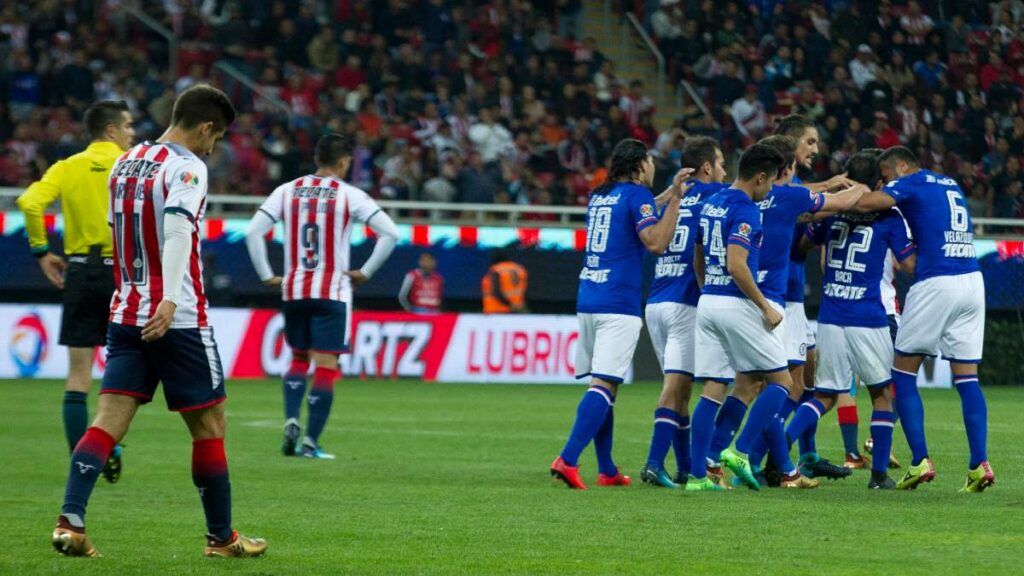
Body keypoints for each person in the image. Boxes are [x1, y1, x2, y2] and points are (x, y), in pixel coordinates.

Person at [51, 84, 267, 558]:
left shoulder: (126, 161)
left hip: (125, 311)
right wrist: (169, 299)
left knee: (107, 421)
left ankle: (71, 520)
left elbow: (118, 231)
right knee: (210, 427)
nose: (215, 147)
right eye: (217, 137)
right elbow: (175, 230)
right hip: (179, 317)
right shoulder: (188, 166)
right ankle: (221, 538)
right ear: (206, 126)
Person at [245, 134, 399, 459]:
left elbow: (253, 231)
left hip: (295, 289)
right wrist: (366, 271)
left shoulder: (286, 190)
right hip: (332, 291)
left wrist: (266, 275)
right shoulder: (349, 195)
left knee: (299, 358)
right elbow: (390, 233)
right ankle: (311, 442)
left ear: (318, 158)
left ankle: (290, 418)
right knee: (326, 365)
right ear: (343, 163)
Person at [550, 139, 690, 490]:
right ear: (640, 165)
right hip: (618, 302)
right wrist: (675, 200)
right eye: (651, 160)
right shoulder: (637, 196)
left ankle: (608, 469)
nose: (654, 166)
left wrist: (665, 195)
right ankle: (567, 459)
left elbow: (635, 212)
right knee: (605, 384)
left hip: (589, 298)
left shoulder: (602, 195)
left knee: (604, 384)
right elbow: (656, 242)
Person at [852, 146, 993, 493]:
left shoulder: (911, 182)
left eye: (886, 178)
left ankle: (920, 460)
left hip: (937, 281)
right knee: (967, 379)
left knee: (902, 372)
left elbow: (868, 204)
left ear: (901, 167)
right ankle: (979, 465)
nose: (885, 185)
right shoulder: (949, 183)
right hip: (972, 281)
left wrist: (850, 191)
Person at [726, 134, 865, 486]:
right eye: (809, 142)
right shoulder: (787, 195)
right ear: (785, 166)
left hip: (741, 297)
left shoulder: (740, 195)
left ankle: (782, 465)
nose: (814, 150)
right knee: (786, 386)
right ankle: (754, 458)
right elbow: (836, 203)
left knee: (773, 384)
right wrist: (865, 189)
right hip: (778, 299)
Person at [16, 100, 134, 482]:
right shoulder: (131, 166)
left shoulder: (68, 167)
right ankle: (109, 444)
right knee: (124, 372)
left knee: (78, 376)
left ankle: (82, 460)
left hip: (81, 271)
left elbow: (29, 202)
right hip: (122, 275)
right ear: (112, 130)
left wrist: (41, 251)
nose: (133, 133)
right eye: (128, 126)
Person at [784, 151, 916, 490]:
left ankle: (780, 449)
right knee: (882, 395)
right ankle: (878, 476)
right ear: (878, 183)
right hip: (868, 316)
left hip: (830, 314)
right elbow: (909, 264)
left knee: (824, 395)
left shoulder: (832, 213)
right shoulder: (890, 217)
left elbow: (800, 246)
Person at [688, 142, 811, 491]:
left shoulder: (711, 202)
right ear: (759, 177)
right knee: (782, 383)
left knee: (718, 387)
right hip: (736, 303)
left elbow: (698, 255)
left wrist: (706, 290)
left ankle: (702, 472)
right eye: (769, 182)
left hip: (709, 301)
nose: (770, 189)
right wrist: (764, 306)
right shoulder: (747, 210)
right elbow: (736, 264)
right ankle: (740, 451)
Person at [640, 136, 726, 489]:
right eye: (720, 163)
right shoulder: (713, 198)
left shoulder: (674, 198)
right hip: (684, 304)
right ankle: (653, 462)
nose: (723, 170)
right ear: (707, 167)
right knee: (675, 388)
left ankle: (684, 467)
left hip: (657, 300)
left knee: (682, 389)